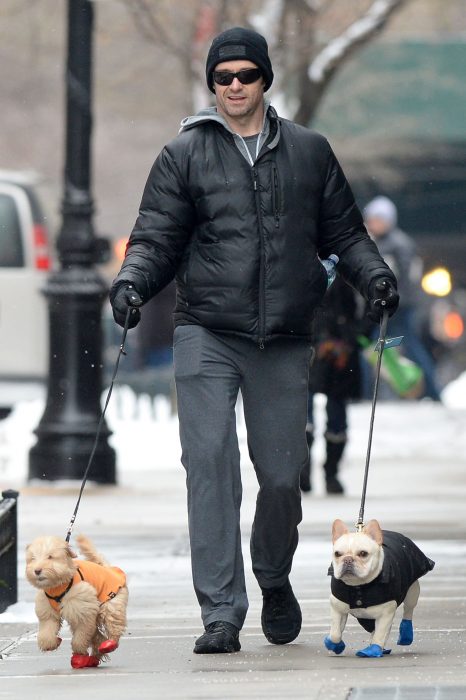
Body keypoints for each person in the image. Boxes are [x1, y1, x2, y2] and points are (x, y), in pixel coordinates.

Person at [110, 27, 399, 655]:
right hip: (206, 330)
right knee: (209, 467)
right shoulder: (183, 154)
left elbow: (344, 233)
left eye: (245, 75)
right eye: (222, 77)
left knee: (281, 476)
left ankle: (273, 576)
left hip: (284, 337)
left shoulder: (309, 151)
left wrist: (374, 275)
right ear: (212, 85)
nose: (233, 86)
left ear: (264, 79)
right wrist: (132, 282)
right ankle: (220, 611)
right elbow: (155, 236)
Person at [364, 196, 441, 401]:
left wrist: (393, 300)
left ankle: (432, 391)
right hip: (384, 306)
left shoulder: (399, 244)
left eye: (377, 219)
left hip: (398, 307)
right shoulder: (377, 242)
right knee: (377, 348)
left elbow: (407, 279)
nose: (372, 224)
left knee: (403, 347)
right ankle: (368, 392)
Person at [300, 277, 362, 495]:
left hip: (336, 349)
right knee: (303, 410)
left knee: (332, 414)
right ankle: (305, 471)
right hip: (311, 342)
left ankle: (329, 473)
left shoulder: (346, 263)